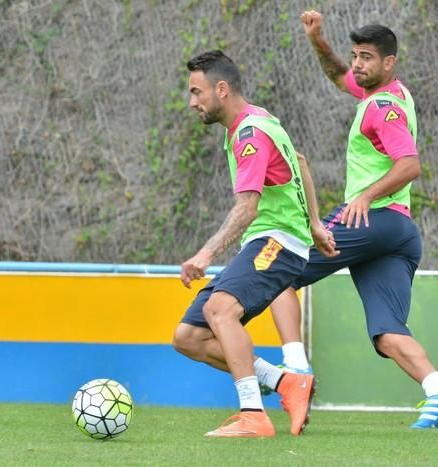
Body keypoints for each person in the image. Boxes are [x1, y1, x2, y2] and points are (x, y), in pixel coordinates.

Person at [268, 11, 438, 429]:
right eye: (356, 55)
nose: (357, 64)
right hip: (398, 233)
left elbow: (410, 164)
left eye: (367, 58)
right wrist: (317, 39)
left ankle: (296, 371)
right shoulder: (389, 94)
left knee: (278, 273)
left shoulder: (383, 107)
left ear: (388, 63)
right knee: (388, 331)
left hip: (370, 220)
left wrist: (364, 196)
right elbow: (339, 75)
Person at [172, 50, 336, 437]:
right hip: (277, 240)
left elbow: (248, 206)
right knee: (189, 337)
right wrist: (314, 223)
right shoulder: (261, 120)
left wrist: (206, 253)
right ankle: (285, 382)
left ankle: (253, 415)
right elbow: (301, 161)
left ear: (222, 89)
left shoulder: (249, 133)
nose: (192, 102)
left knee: (220, 310)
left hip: (276, 242)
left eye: (197, 92)